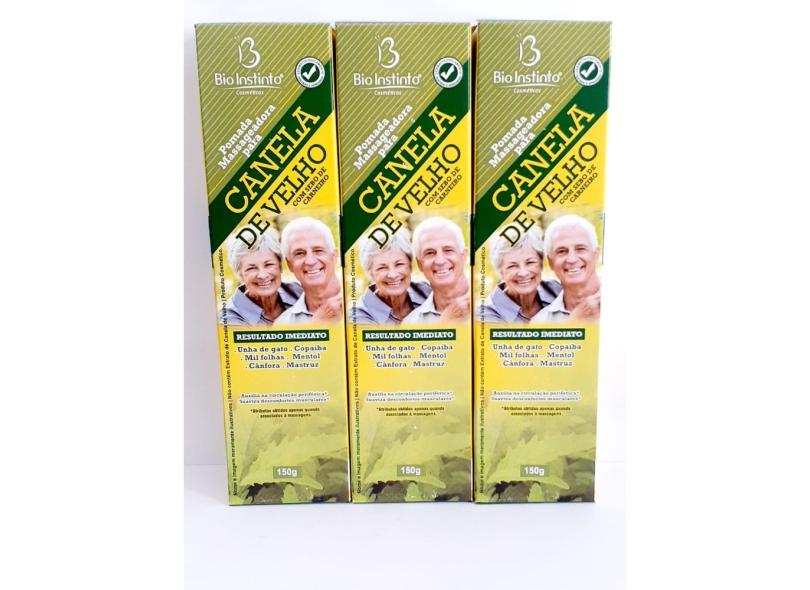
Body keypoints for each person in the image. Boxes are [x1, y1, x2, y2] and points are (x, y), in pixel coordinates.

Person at [480, 226, 561, 323]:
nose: (523, 273)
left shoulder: (556, 289)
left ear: (541, 264)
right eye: (512, 266)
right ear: (501, 271)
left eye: (530, 262)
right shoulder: (486, 315)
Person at [223, 228, 303, 326]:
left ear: (280, 266)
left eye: (269, 264)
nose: (263, 275)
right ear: (240, 274)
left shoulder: (297, 291)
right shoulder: (229, 318)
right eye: (251, 268)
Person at [353, 231, 432, 325]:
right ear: (371, 274)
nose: (393, 275)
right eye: (382, 268)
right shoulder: (359, 316)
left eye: (399, 264)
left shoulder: (426, 291)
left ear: (410, 266)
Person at [533, 214, 601, 323]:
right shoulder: (539, 323)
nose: (571, 259)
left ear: (596, 254)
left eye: (580, 249)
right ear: (550, 262)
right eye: (562, 251)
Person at [275, 217, 343, 325]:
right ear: (289, 265)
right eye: (299, 253)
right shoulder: (282, 325)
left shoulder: (360, 307)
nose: (310, 261)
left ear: (334, 256)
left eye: (318, 250)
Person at [403, 216, 470, 324]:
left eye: (448, 250)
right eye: (430, 253)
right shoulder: (411, 324)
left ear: (463, 256)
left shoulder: (489, 307)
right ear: (419, 264)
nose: (440, 261)